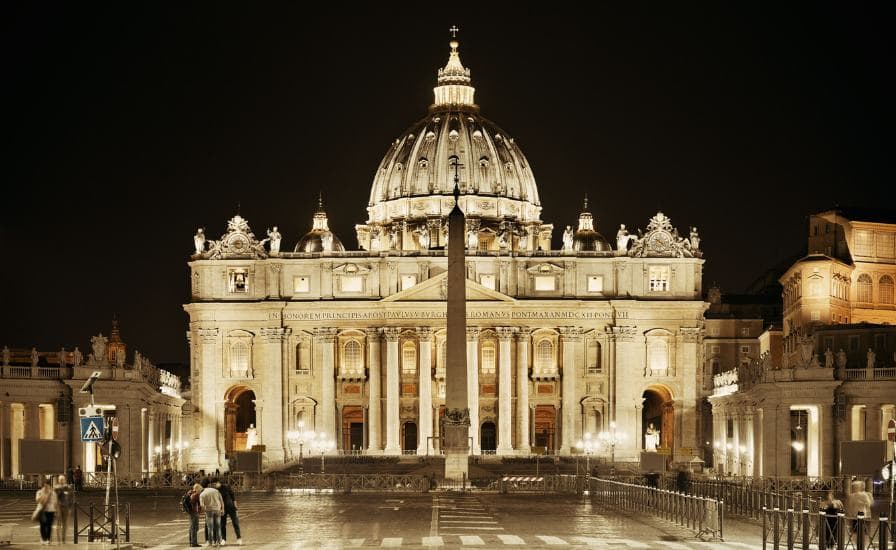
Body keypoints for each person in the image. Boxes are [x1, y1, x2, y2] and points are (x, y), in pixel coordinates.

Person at [845, 479, 873, 550]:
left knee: (864, 534)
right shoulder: (852, 496)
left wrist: (861, 500)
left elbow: (869, 503)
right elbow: (849, 506)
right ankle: (859, 546)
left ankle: (863, 546)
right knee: (855, 534)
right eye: (853, 487)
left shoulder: (865, 495)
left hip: (864, 517)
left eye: (855, 487)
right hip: (855, 517)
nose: (854, 488)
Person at [216, 480, 242, 545]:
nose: (215, 485)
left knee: (235, 523)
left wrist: (236, 508)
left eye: (216, 483)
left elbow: (233, 497)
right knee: (222, 524)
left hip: (231, 507)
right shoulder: (216, 490)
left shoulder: (227, 487)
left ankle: (239, 538)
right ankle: (224, 539)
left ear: (219, 483)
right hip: (223, 508)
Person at [199, 481, 224, 547]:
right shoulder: (216, 491)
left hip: (209, 511)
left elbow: (202, 506)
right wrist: (222, 509)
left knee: (210, 528)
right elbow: (221, 501)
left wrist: (203, 511)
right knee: (218, 527)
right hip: (217, 510)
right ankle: (218, 542)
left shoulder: (202, 494)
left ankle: (210, 542)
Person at [35, 478, 57, 545]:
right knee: (42, 525)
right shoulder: (39, 492)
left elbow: (54, 502)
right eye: (45, 486)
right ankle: (43, 538)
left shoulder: (53, 493)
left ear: (50, 486)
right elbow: (38, 501)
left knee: (49, 525)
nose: (46, 487)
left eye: (48, 486)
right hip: (42, 510)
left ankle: (48, 539)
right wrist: (44, 495)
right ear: (43, 486)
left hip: (50, 510)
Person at [54, 475, 72, 544]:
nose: (61, 481)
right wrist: (61, 489)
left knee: (65, 525)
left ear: (65, 480)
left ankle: (63, 539)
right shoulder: (56, 488)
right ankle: (58, 540)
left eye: (63, 479)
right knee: (58, 524)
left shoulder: (68, 488)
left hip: (66, 508)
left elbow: (71, 498)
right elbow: (55, 497)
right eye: (60, 480)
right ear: (59, 481)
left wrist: (70, 508)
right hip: (58, 508)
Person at [187, 483, 202, 547]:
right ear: (198, 488)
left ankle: (191, 541)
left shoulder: (190, 493)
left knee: (191, 527)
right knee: (195, 528)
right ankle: (194, 543)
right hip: (194, 513)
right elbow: (200, 504)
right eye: (200, 489)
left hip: (190, 512)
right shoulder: (196, 495)